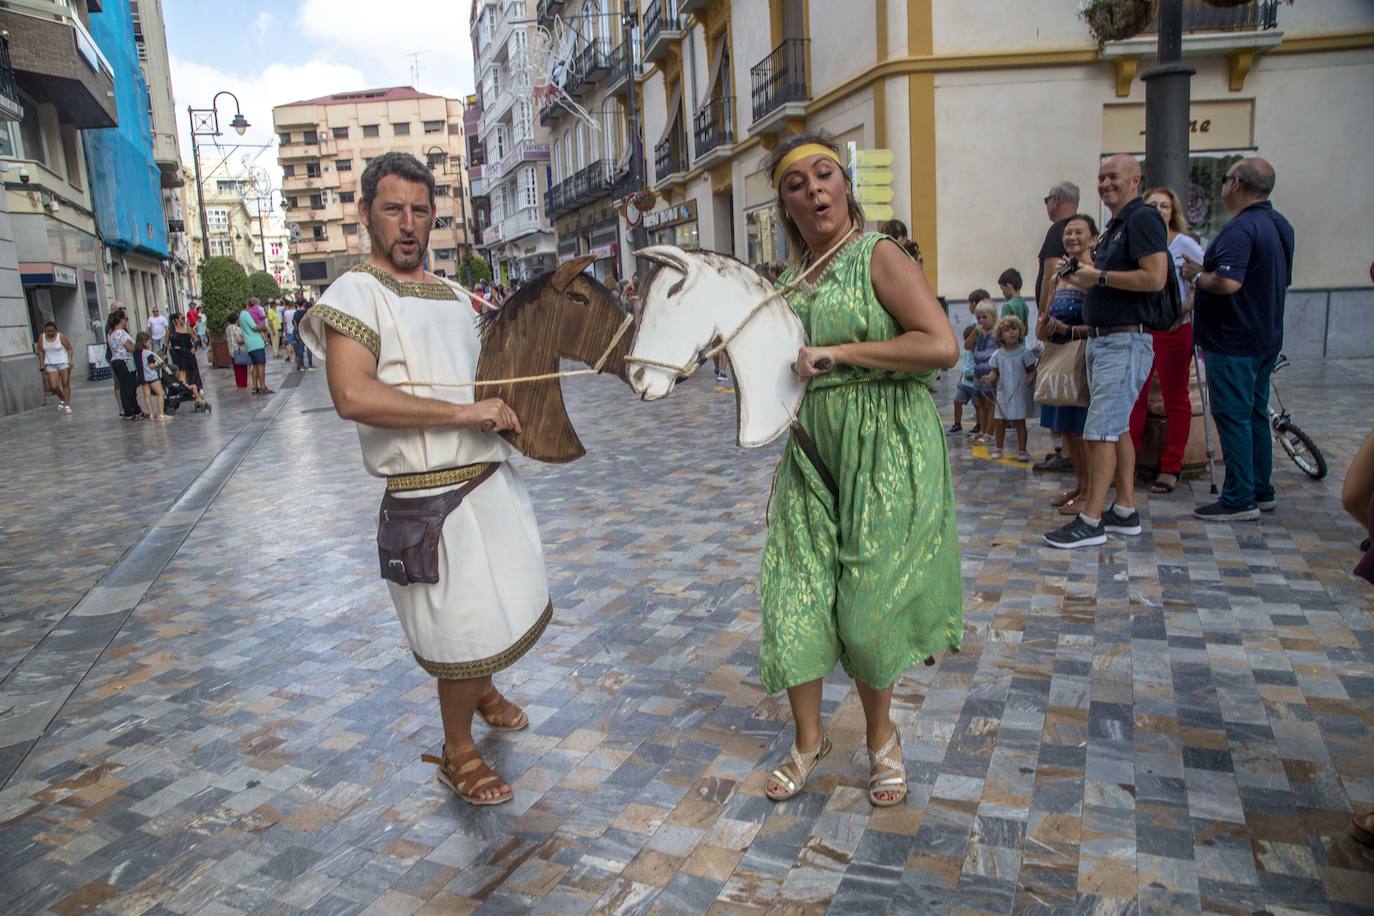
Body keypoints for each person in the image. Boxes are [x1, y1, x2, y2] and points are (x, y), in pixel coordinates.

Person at [300, 152, 546, 806]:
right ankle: (458, 752)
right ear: (364, 215)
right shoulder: (354, 294)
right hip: (428, 500)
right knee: (458, 628)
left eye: (419, 210)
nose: (407, 224)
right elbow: (353, 395)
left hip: (490, 483)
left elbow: (494, 369)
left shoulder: (453, 292)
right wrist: (465, 413)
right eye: (392, 210)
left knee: (496, 605)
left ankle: (485, 688)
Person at [757, 132, 962, 808]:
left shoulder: (879, 254)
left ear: (845, 186)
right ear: (785, 205)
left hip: (885, 449)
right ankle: (808, 741)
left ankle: (881, 740)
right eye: (797, 184)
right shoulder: (788, 280)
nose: (815, 190)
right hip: (812, 454)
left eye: (825, 176)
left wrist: (840, 353)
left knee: (870, 613)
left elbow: (940, 345)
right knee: (795, 597)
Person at [1044, 154, 1167, 549]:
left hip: (1123, 340)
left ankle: (1091, 520)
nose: (1104, 183)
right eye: (1100, 177)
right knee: (1115, 430)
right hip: (1107, 339)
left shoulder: (1143, 218)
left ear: (1135, 180)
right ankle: (1124, 509)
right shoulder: (1117, 225)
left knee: (1098, 432)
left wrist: (1096, 275)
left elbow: (1155, 277)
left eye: (1113, 176)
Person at [1182, 158, 1294, 521]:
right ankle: (1261, 490)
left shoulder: (1240, 229)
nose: (1224, 186)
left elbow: (1228, 282)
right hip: (1265, 334)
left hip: (1234, 339)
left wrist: (1198, 278)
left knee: (1233, 416)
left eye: (1227, 179)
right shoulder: (1279, 225)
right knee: (1255, 414)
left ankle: (1239, 496)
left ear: (1237, 185)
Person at [1126, 187, 1204, 495]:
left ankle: (1172, 466)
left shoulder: (1183, 243)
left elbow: (1206, 276)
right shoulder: (1137, 240)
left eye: (1164, 206)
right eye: (1152, 205)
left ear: (1174, 212)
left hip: (1174, 329)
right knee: (1135, 398)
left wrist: (1187, 301)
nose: (1159, 211)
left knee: (1176, 397)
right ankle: (1127, 463)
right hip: (1142, 329)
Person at [1037, 214, 1097, 516]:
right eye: (1068, 233)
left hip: (1082, 358)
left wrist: (1069, 331)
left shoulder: (1093, 276)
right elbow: (1042, 322)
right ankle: (1079, 485)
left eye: (1079, 232)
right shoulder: (1056, 277)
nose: (1072, 237)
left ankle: (1090, 492)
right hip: (1058, 358)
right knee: (1068, 432)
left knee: (1082, 429)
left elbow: (1102, 325)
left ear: (1094, 238)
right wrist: (1046, 327)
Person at [1033, 181, 1080, 473]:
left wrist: (1043, 317)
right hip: (1074, 320)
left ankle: (1068, 451)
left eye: (1047, 199)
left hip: (1061, 320)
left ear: (1056, 200)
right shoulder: (1081, 227)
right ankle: (1068, 450)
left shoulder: (1058, 230)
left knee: (1061, 382)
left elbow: (1052, 273)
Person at [984, 315, 1036, 462]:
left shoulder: (1024, 353)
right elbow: (995, 372)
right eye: (1007, 330)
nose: (1012, 332)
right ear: (1000, 335)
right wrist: (989, 378)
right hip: (1003, 392)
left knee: (1020, 422)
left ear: (1020, 331)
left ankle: (1022, 450)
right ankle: (999, 448)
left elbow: (1032, 369)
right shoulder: (997, 354)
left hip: (1019, 392)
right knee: (1000, 422)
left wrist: (1031, 378)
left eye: (1014, 329)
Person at [969, 298, 999, 444]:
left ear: (993, 317)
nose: (981, 320)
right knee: (980, 403)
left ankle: (989, 433)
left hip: (990, 372)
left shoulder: (996, 333)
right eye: (978, 317)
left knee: (990, 403)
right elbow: (967, 345)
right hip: (978, 372)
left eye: (984, 317)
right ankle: (982, 429)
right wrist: (975, 332)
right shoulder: (978, 332)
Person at [107, 310, 144, 419]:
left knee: (126, 386)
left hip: (117, 361)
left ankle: (135, 409)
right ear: (121, 320)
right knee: (128, 387)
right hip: (124, 361)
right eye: (126, 319)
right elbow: (130, 347)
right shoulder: (120, 332)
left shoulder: (111, 333)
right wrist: (138, 345)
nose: (126, 321)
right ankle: (129, 411)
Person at [36, 321, 74, 413]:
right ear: (45, 330)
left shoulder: (61, 336)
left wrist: (69, 360)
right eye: (48, 331)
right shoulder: (42, 337)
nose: (50, 333)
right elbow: (41, 351)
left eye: (52, 331)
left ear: (55, 330)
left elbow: (69, 348)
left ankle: (67, 405)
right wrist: (41, 364)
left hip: (63, 362)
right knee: (53, 386)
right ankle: (62, 398)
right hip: (50, 363)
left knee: (65, 383)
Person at [239, 297, 272, 395]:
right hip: (256, 342)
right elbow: (254, 327)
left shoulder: (241, 315)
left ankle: (254, 387)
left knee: (255, 366)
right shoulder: (245, 314)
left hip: (250, 344)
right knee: (261, 365)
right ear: (247, 305)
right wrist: (263, 327)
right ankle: (262, 387)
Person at [134, 331, 169, 420]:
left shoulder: (136, 353)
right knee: (161, 393)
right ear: (144, 342)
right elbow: (151, 365)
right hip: (152, 377)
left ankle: (151, 414)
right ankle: (161, 414)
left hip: (142, 377)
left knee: (147, 395)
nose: (150, 343)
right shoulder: (148, 353)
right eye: (148, 341)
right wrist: (158, 363)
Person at [167, 312, 204, 391]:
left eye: (184, 318)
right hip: (177, 353)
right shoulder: (171, 330)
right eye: (182, 318)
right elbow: (165, 342)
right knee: (181, 370)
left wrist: (194, 348)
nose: (184, 320)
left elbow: (196, 339)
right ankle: (184, 388)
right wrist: (164, 354)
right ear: (176, 320)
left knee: (192, 369)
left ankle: (195, 387)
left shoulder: (187, 328)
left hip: (188, 352)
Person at [292, 299, 314, 370]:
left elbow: (295, 324)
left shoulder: (295, 313)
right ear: (304, 303)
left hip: (300, 332)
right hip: (307, 332)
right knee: (309, 348)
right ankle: (310, 363)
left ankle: (301, 364)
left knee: (300, 349)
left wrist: (297, 332)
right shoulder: (307, 312)